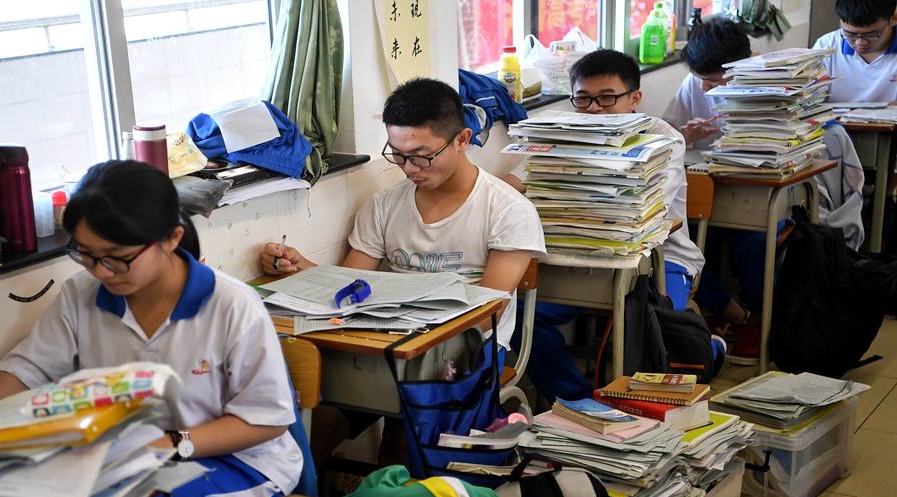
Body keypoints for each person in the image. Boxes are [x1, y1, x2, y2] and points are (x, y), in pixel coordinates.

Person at [0, 160, 302, 497]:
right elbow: (26, 370)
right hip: (122, 463)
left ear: (170, 237)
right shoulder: (82, 294)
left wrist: (169, 444)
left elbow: (265, 420)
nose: (102, 272)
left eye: (117, 256)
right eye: (88, 256)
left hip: (235, 464)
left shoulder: (232, 305)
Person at [260, 77, 546, 464]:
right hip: (384, 343)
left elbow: (484, 314)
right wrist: (303, 268)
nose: (409, 168)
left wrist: (402, 331)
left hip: (465, 350)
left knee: (404, 437)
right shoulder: (383, 206)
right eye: (397, 154)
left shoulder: (508, 210)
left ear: (462, 139)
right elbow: (352, 285)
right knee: (309, 428)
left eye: (422, 156)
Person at [504, 49, 719, 398]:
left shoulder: (663, 139)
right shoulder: (561, 132)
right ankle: (578, 401)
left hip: (661, 261)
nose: (593, 110)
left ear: (634, 98)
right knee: (524, 314)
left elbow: (643, 208)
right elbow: (514, 182)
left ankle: (707, 351)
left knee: (650, 327)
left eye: (606, 99)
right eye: (583, 99)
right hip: (580, 259)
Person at [663, 18, 867, 363]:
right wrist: (686, 136)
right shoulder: (694, 84)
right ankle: (725, 310)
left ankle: (759, 319)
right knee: (691, 236)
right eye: (704, 82)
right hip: (719, 194)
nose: (711, 90)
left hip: (771, 197)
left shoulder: (775, 84)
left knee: (755, 243)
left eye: (717, 80)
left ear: (741, 65)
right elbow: (667, 135)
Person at [812, 0, 897, 104]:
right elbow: (809, 98)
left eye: (871, 35)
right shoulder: (826, 46)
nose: (860, 42)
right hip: (836, 119)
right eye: (850, 34)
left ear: (894, 19)